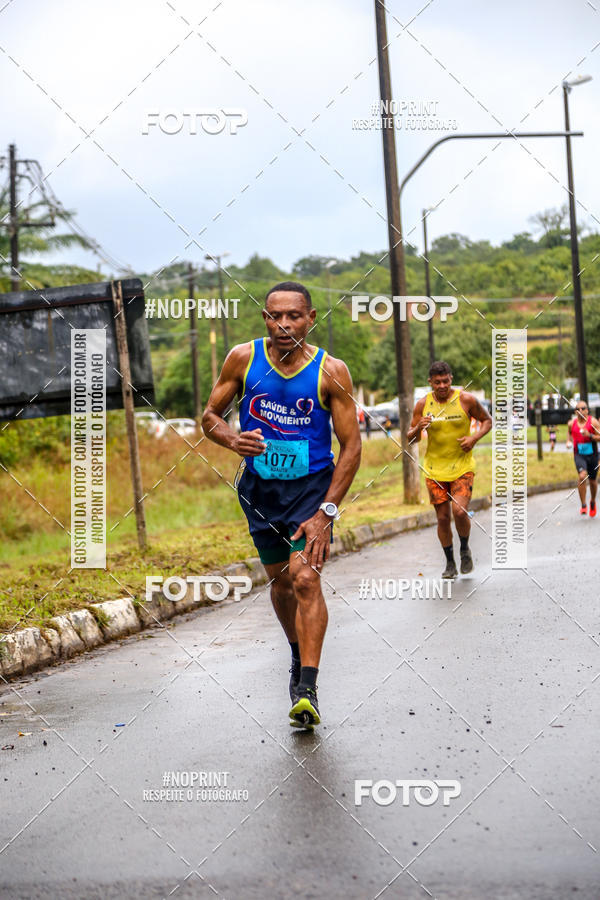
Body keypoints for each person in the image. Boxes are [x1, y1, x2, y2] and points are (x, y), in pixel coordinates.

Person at [202, 281, 361, 729]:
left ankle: (307, 687)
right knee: (281, 585)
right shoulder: (242, 359)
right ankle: (296, 653)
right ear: (265, 319)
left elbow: (351, 447)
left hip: (312, 490)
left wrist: (327, 513)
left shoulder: (332, 371)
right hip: (260, 491)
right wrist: (232, 438)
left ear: (311, 318)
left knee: (306, 579)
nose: (284, 324)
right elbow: (209, 416)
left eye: (294, 316)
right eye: (275, 316)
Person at [408, 361, 492, 579]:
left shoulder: (466, 400)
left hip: (462, 467)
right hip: (434, 470)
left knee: (459, 511)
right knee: (443, 518)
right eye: (437, 382)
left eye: (445, 381)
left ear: (451, 379)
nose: (442, 386)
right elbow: (411, 439)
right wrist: (419, 427)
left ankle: (464, 548)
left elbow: (487, 421)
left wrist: (473, 439)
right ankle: (450, 562)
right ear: (430, 383)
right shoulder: (422, 405)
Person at [567, 401, 599, 516]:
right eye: (578, 409)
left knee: (593, 481)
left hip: (593, 455)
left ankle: (592, 501)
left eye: (583, 408)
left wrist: (589, 435)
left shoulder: (593, 422)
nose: (580, 411)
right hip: (579, 455)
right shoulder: (571, 423)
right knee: (582, 476)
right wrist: (568, 441)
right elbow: (569, 433)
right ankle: (583, 504)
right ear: (575, 411)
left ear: (587, 410)